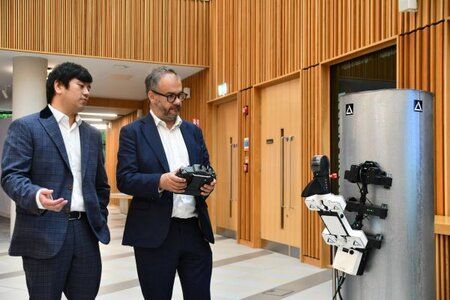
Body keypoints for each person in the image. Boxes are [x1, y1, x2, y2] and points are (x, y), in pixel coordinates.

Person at [1, 62, 110, 299]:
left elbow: (100, 185)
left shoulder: (91, 134)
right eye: (81, 85)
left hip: (86, 233)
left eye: (89, 87)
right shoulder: (26, 127)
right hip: (43, 231)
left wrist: (100, 215)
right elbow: (11, 176)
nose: (87, 92)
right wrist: (35, 196)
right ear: (58, 86)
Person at [116, 66, 216, 300]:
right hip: (154, 234)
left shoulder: (193, 132)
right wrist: (160, 181)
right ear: (152, 96)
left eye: (180, 95)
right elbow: (124, 179)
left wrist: (208, 184)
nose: (177, 101)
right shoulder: (133, 132)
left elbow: (206, 168)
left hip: (195, 230)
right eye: (170, 96)